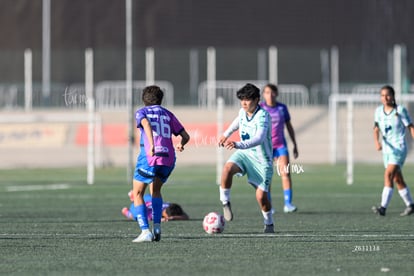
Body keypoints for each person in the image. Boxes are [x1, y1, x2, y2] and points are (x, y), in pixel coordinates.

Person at [130, 85, 190, 242]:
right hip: (168, 159)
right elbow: (186, 136)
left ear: (143, 100)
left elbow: (147, 125)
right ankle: (157, 228)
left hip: (150, 157)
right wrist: (181, 144)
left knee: (137, 193)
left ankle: (145, 231)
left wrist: (152, 145)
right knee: (155, 191)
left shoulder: (141, 112)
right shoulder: (168, 114)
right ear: (161, 99)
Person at [218, 83, 275, 233]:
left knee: (261, 197)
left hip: (262, 161)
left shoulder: (263, 116)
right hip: (245, 155)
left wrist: (238, 144)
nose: (244, 102)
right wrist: (225, 134)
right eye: (242, 99)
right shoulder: (242, 111)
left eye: (247, 99)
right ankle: (225, 202)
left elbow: (259, 138)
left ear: (257, 100)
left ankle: (269, 222)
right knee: (227, 169)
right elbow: (237, 122)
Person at [372, 85, 414, 216]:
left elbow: (410, 126)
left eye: (387, 95)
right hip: (387, 150)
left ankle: (383, 208)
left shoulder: (400, 110)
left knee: (388, 174)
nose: (385, 98)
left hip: (399, 148)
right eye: (382, 95)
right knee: (397, 179)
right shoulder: (378, 111)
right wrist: (377, 142)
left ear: (393, 96)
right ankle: (411, 205)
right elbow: (376, 128)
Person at [260, 84, 299, 213]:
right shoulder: (260, 108)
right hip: (266, 147)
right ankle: (269, 205)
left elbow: (289, 126)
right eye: (266, 92)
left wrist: (294, 144)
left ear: (276, 94)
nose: (269, 95)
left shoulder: (282, 108)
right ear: (263, 94)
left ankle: (288, 204)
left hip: (280, 145)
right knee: (267, 176)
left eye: (272, 92)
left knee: (285, 173)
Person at [122, 191, 189, 221]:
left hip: (148, 200)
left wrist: (172, 217)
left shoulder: (169, 205)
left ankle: (135, 197)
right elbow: (185, 216)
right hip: (137, 208)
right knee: (132, 215)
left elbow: (186, 216)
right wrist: (169, 218)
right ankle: (126, 211)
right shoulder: (156, 214)